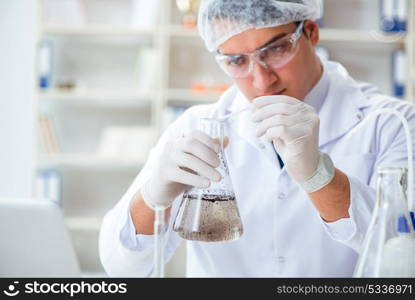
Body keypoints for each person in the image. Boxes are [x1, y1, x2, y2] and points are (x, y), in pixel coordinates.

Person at [99, 0, 415, 277]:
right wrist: (155, 196)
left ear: (311, 32)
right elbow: (123, 267)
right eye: (237, 61)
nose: (262, 79)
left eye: (276, 49)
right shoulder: (198, 126)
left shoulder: (392, 124)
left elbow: (404, 259)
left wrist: (317, 175)